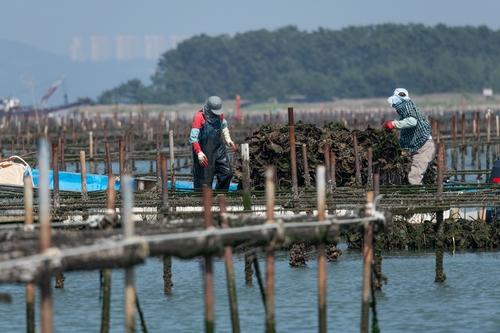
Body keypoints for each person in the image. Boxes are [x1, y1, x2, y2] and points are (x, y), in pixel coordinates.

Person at [384, 88, 435, 185]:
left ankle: (420, 198)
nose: (395, 106)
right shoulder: (407, 110)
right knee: (409, 174)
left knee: (414, 178)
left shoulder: (407, 106)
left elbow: (412, 121)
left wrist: (393, 124)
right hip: (417, 147)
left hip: (424, 146)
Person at [189, 96, 237, 190]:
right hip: (204, 152)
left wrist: (228, 139)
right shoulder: (199, 117)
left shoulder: (219, 115)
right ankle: (202, 200)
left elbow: (224, 125)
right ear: (209, 109)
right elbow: (193, 138)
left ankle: (220, 195)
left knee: (227, 173)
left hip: (219, 149)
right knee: (204, 182)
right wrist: (199, 152)